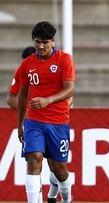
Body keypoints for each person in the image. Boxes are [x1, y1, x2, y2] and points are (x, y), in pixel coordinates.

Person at [17, 21, 75, 203]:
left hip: (58, 122)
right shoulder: (27, 64)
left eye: (45, 42)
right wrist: (20, 124)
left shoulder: (64, 60)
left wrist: (48, 100)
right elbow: (22, 95)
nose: (41, 46)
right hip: (34, 121)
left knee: (59, 170)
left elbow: (70, 89)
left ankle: (66, 197)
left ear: (53, 41)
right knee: (34, 159)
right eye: (37, 41)